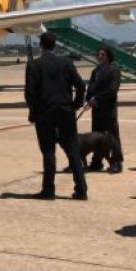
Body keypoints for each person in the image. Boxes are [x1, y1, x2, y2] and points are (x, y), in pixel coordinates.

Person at [24, 32, 88, 200]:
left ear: (41, 45)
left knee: (48, 152)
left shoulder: (34, 65)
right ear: (54, 45)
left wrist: (33, 111)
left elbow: (30, 93)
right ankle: (81, 189)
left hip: (44, 113)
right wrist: (75, 105)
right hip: (65, 112)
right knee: (73, 150)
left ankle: (48, 189)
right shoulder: (66, 63)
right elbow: (81, 86)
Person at [84, 45, 124, 173]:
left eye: (103, 54)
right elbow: (91, 87)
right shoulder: (95, 71)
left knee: (112, 136)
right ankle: (97, 161)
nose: (100, 56)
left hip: (108, 109)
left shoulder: (114, 70)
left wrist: (96, 99)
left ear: (108, 56)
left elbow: (113, 89)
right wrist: (88, 99)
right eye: (98, 54)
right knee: (96, 135)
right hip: (97, 109)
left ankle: (117, 161)